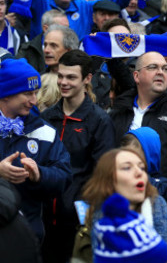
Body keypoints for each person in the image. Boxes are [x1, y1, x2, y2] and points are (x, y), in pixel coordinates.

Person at [40, 50, 115, 263]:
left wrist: (82, 209)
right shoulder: (47, 118)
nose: (63, 82)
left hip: (78, 221)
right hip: (44, 220)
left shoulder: (99, 121)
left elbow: (103, 175)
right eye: (61, 76)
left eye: (71, 77)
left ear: (87, 79)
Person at [0, 59, 71, 241]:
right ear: (6, 94)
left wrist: (39, 175)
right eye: (27, 93)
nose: (34, 100)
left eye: (36, 93)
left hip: (25, 237)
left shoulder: (44, 131)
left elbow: (64, 176)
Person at [109, 51, 167, 179]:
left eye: (165, 69)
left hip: (162, 194)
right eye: (153, 67)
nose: (160, 72)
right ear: (136, 76)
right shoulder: (119, 111)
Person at [82, 148, 167, 258]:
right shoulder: (89, 231)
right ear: (108, 179)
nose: (139, 172)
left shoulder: (160, 208)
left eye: (142, 167)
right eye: (127, 168)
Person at [16, 9, 69, 74]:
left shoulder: (70, 48)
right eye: (62, 28)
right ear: (46, 29)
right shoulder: (28, 49)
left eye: (68, 28)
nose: (67, 32)